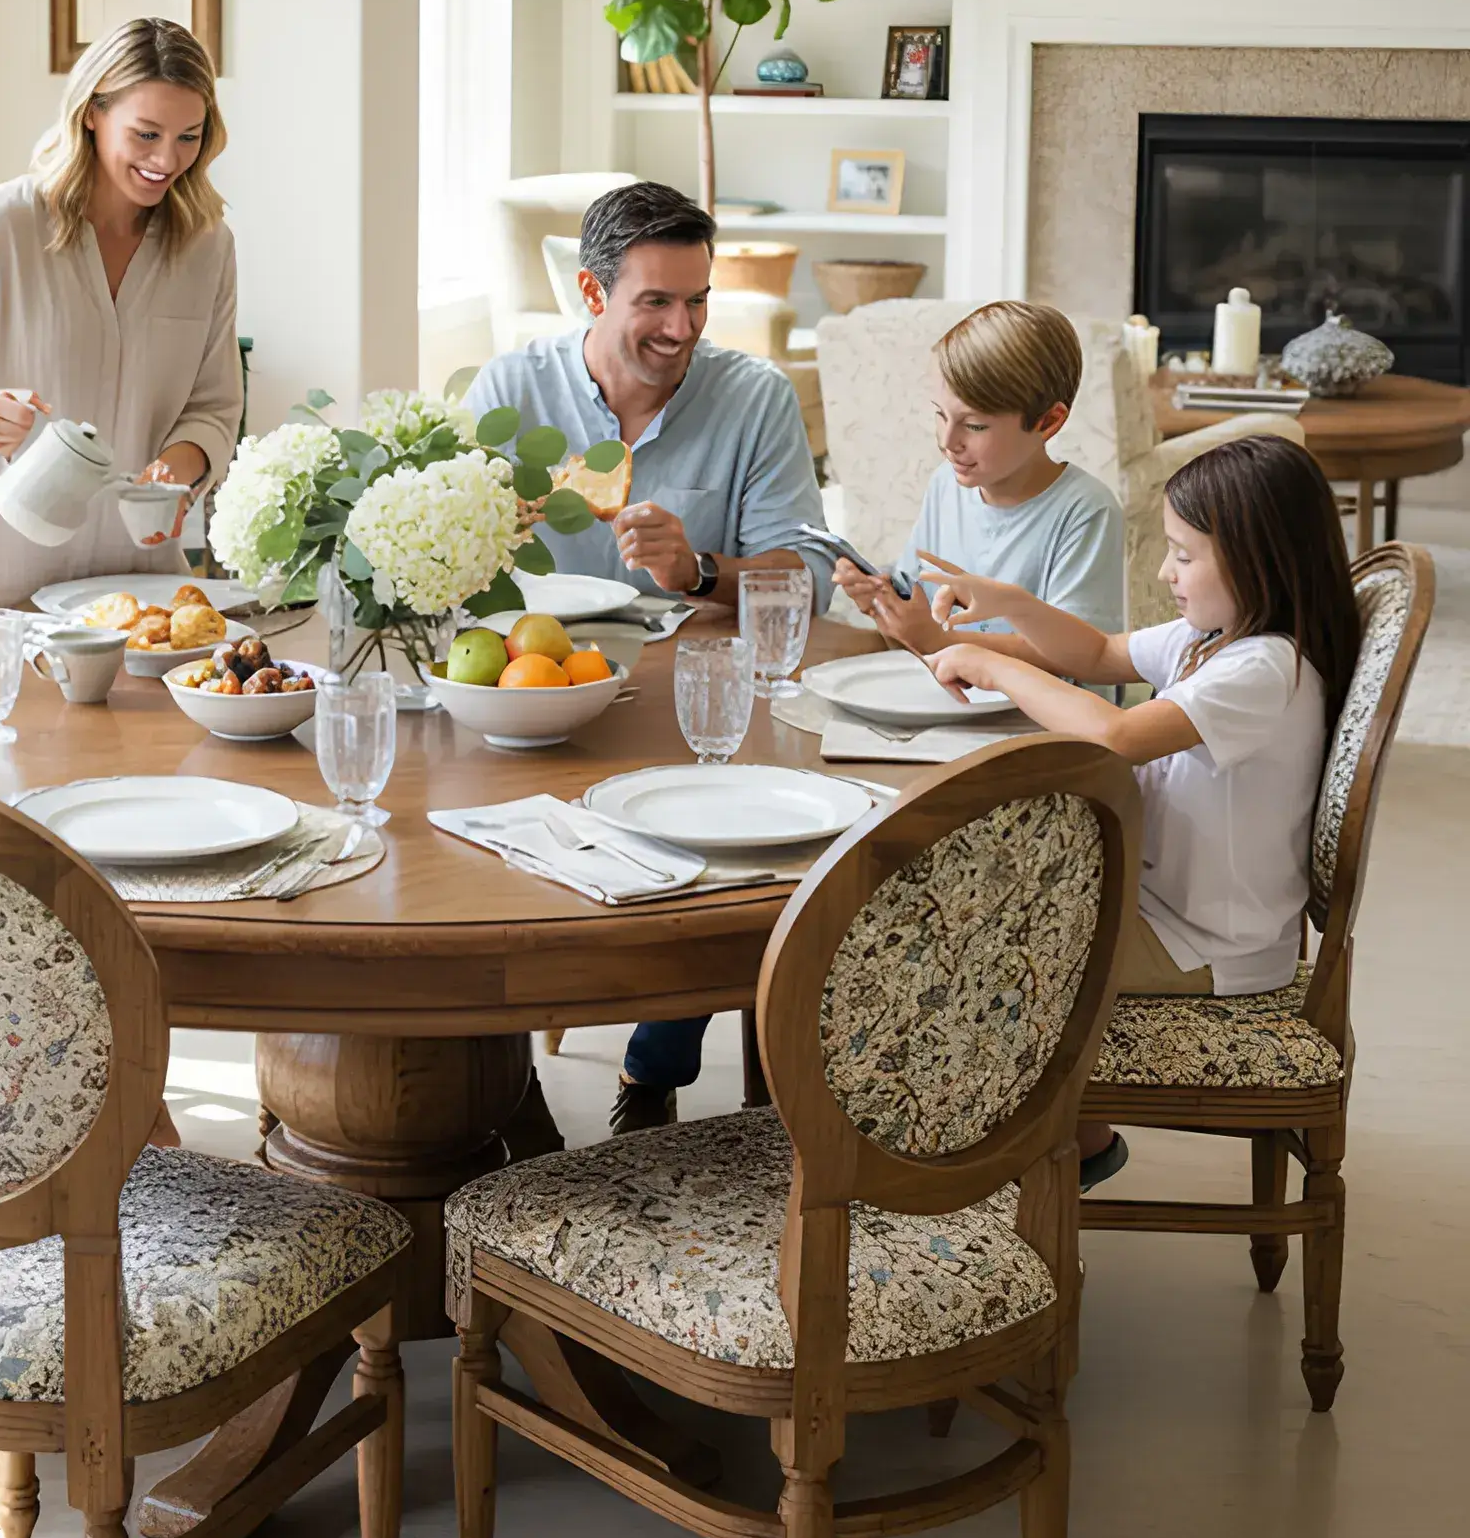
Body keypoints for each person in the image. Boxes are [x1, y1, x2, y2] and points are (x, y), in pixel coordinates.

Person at [462, 179, 831, 1135]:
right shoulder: (510, 392)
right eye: (655, 303)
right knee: (465, 848)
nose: (682, 327)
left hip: (688, 691)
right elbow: (450, 582)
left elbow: (811, 578)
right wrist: (478, 538)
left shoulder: (753, 398)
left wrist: (702, 569)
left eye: (698, 300)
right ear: (591, 295)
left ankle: (654, 1070)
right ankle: (506, 1101)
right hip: (532, 691)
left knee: (723, 844)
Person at [914, 433, 1359, 1189]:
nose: (1165, 571)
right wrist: (1010, 607)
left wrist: (994, 662)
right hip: (1165, 908)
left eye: (1184, 555)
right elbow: (1099, 654)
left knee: (972, 949)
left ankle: (1036, 1145)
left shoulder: (1263, 668)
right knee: (971, 902)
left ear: (1256, 556)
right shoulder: (1214, 639)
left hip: (1208, 944)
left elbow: (1117, 734)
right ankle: (1056, 1131)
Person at [0, 17, 241, 618]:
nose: (166, 160)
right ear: (92, 112)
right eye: (145, 134)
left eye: (188, 137)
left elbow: (214, 406)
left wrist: (175, 470)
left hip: (135, 592)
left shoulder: (207, 247)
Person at [832, 300, 1124, 647]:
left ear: (1048, 422)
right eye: (940, 414)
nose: (947, 441)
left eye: (974, 425)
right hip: (948, 698)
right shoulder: (945, 485)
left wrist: (942, 643)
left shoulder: (1087, 511)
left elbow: (1085, 657)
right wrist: (881, 605)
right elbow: (917, 620)